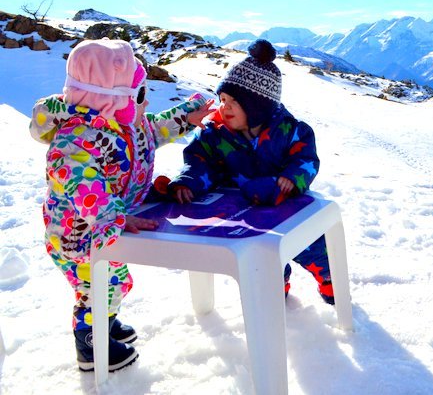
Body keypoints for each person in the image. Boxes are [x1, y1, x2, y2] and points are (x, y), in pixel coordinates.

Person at [29, 39, 214, 372]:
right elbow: (84, 186)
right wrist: (113, 216)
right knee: (98, 285)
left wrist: (189, 114)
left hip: (105, 227)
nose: (147, 101)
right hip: (78, 234)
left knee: (117, 280)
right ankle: (90, 343)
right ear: (112, 99)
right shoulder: (76, 140)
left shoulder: (129, 125)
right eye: (140, 94)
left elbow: (156, 128)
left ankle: (105, 321)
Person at [166, 39, 334, 304]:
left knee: (312, 248)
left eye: (235, 101)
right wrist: (188, 181)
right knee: (263, 257)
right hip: (242, 209)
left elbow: (306, 159)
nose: (225, 107)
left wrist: (291, 178)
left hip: (286, 204)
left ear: (257, 107)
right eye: (222, 99)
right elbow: (199, 161)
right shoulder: (214, 134)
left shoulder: (291, 131)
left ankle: (328, 279)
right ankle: (276, 288)